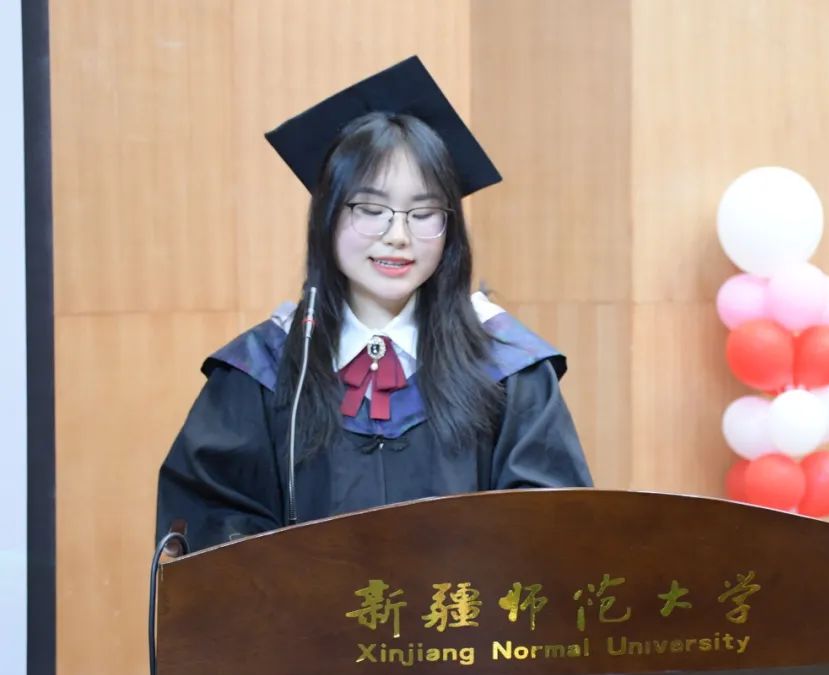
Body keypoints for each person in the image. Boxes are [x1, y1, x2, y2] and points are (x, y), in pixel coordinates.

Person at [155, 57, 593, 553]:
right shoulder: (265, 372)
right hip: (305, 607)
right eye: (370, 209)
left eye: (423, 213)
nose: (397, 235)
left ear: (450, 228)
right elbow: (209, 525)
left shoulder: (507, 370)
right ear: (327, 216)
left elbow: (552, 531)